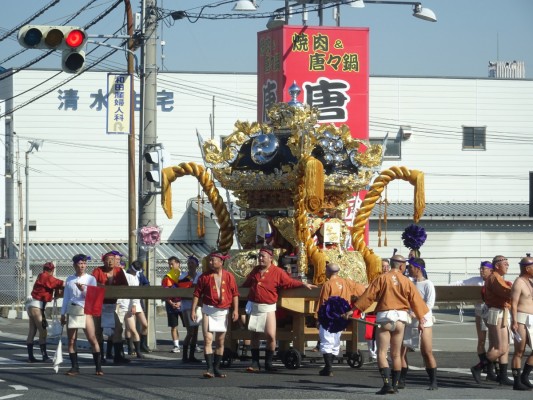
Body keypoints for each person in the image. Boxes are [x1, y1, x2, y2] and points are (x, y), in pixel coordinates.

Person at [344, 253, 429, 394]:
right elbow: (416, 301)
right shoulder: (407, 281)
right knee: (396, 355)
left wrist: (353, 310)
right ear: (402, 266)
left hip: (385, 317)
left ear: (390, 264)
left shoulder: (382, 278)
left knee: (382, 353)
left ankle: (387, 384)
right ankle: (395, 385)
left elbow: (368, 297)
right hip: (401, 319)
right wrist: (421, 318)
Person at [242, 245, 317, 373]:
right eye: (259, 256)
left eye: (263, 256)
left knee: (271, 335)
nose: (260, 258)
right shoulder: (255, 271)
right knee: (255, 335)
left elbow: (289, 282)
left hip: (269, 306)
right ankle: (255, 362)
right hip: (255, 305)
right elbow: (246, 284)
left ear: (270, 258)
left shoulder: (277, 272)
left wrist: (302, 284)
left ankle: (268, 363)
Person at [190, 251, 239, 378]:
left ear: (221, 262)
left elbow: (235, 294)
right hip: (208, 309)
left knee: (220, 341)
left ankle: (217, 368)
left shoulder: (229, 276)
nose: (211, 262)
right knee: (207, 339)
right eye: (210, 260)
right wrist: (193, 310)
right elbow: (196, 294)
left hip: (223, 310)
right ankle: (209, 368)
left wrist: (236, 310)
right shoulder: (204, 277)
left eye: (214, 260)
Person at [314, 263, 365, 376]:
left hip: (329, 316)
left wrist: (317, 318)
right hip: (343, 316)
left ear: (327, 271)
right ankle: (329, 367)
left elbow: (322, 302)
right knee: (336, 341)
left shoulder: (327, 284)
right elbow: (362, 290)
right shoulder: (346, 282)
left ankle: (328, 367)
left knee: (327, 340)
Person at [471, 255, 513, 385]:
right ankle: (478, 367)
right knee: (500, 348)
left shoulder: (497, 278)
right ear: (497, 265)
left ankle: (502, 376)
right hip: (496, 312)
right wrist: (519, 289)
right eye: (505, 263)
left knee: (504, 347)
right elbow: (507, 292)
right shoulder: (495, 278)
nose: (507, 265)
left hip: (501, 312)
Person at [61, 254, 103, 376]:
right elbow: (66, 297)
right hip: (72, 309)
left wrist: (82, 290)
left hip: (85, 310)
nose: (82, 266)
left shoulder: (91, 279)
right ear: (74, 265)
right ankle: (75, 367)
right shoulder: (69, 279)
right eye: (80, 263)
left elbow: (93, 297)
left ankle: (98, 367)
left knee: (92, 338)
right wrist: (63, 313)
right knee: (71, 340)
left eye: (84, 263)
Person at [399, 257, 438, 390]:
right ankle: (402, 379)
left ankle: (433, 381)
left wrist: (416, 313)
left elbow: (429, 304)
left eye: (411, 267)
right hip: (409, 320)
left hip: (424, 320)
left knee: (426, 351)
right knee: (402, 351)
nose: (409, 270)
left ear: (418, 269)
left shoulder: (428, 284)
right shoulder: (409, 282)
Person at [456, 261, 497, 381]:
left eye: (484, 269)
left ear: (491, 270)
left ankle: (489, 368)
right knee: (481, 341)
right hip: (480, 312)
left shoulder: (495, 280)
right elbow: (460, 284)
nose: (481, 271)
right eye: (480, 268)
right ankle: (483, 364)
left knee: (494, 342)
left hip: (493, 313)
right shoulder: (476, 280)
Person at [92, 251, 130, 364]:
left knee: (118, 329)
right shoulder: (98, 270)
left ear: (116, 261)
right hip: (98, 305)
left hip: (112, 305)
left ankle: (118, 356)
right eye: (107, 259)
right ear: (103, 261)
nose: (110, 261)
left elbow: (125, 286)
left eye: (112, 259)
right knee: (98, 331)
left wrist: (115, 290)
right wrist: (103, 287)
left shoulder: (119, 271)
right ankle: (99, 356)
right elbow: (92, 284)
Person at [25, 261, 64, 362]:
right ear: (52, 270)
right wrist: (67, 283)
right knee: (43, 331)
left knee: (32, 331)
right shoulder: (45, 276)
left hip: (32, 305)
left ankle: (30, 357)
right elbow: (57, 282)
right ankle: (44, 355)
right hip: (36, 306)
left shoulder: (41, 275)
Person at [510, 255, 533, 390]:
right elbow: (513, 303)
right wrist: (514, 321)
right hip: (521, 319)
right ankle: (517, 381)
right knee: (519, 351)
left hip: (531, 320)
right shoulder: (518, 282)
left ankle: (525, 376)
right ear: (527, 268)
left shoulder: (530, 282)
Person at [178, 255, 202, 363]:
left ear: (197, 265)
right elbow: (182, 289)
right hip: (187, 306)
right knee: (190, 332)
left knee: (196, 332)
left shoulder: (200, 276)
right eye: (189, 263)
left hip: (198, 306)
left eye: (192, 263)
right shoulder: (183, 276)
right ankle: (184, 356)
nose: (190, 265)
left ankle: (191, 355)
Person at [117, 263, 144, 359]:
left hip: (127, 305)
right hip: (117, 305)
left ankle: (138, 351)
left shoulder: (130, 277)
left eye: (120, 264)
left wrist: (134, 304)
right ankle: (119, 352)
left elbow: (135, 292)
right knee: (117, 330)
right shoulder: (114, 275)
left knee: (133, 329)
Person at [128, 260, 151, 353]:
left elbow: (146, 283)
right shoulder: (127, 275)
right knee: (131, 327)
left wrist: (142, 291)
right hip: (129, 302)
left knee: (145, 324)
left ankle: (143, 344)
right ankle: (131, 347)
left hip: (138, 301)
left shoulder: (139, 274)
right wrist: (132, 304)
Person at [162, 256, 184, 353]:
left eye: (172, 264)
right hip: (171, 305)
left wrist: (180, 302)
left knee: (189, 325)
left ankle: (193, 344)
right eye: (169, 264)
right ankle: (176, 345)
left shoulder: (184, 276)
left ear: (178, 263)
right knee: (173, 326)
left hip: (183, 304)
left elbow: (188, 290)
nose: (171, 266)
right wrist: (171, 303)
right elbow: (165, 292)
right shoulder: (167, 277)